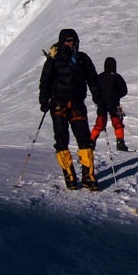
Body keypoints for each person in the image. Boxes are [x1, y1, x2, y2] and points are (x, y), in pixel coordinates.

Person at [39, 29, 102, 191]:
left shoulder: (82, 58)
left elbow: (92, 79)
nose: (72, 43)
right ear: (61, 41)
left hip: (77, 103)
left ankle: (88, 177)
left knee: (84, 139)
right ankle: (69, 175)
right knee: (61, 140)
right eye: (68, 40)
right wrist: (44, 100)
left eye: (74, 40)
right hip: (58, 104)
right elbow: (45, 81)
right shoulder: (53, 60)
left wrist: (98, 98)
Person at [90, 57, 129, 151]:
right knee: (117, 122)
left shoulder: (99, 77)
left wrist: (98, 100)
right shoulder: (117, 77)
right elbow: (124, 91)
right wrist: (116, 96)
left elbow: (94, 90)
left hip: (101, 104)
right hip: (113, 103)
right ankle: (120, 143)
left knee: (99, 123)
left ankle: (91, 142)